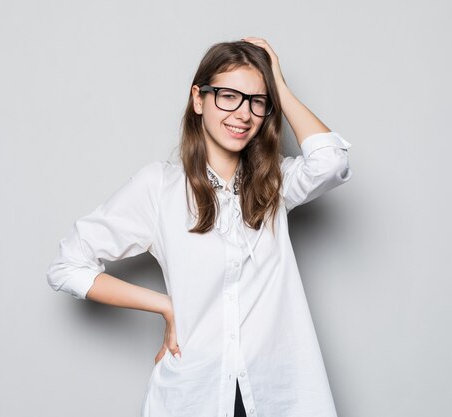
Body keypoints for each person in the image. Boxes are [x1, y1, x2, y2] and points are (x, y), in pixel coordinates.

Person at [46, 36, 353, 417]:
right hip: (194, 395)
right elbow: (67, 266)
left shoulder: (274, 185)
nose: (243, 113)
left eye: (257, 101)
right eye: (228, 95)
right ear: (198, 99)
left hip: (279, 393)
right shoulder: (159, 189)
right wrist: (166, 306)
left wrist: (279, 83)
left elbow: (332, 162)